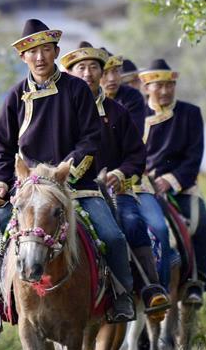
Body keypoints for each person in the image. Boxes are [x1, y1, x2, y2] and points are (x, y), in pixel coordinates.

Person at [0, 19, 137, 339]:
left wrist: (64, 172)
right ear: (23, 57)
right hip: (28, 189)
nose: (40, 57)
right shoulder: (14, 97)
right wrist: (0, 182)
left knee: (113, 236)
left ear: (56, 53)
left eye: (46, 50)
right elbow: (1, 149)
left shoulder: (77, 90)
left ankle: (121, 296)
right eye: (33, 52)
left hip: (75, 185)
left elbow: (91, 139)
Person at [60, 41, 171, 316]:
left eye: (93, 67)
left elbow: (137, 154)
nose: (87, 73)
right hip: (62, 190)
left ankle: (149, 288)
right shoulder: (57, 111)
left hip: (112, 190)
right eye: (80, 68)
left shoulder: (117, 112)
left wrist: (120, 173)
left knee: (131, 222)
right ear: (69, 74)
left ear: (101, 72)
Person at [138, 59, 206, 305]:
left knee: (201, 224)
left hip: (181, 185)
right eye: (158, 86)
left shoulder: (190, 113)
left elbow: (194, 156)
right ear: (146, 88)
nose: (165, 91)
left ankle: (197, 281)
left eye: (169, 85)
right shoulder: (135, 113)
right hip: (141, 187)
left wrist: (169, 181)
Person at [101, 49, 146, 137]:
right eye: (105, 73)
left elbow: (133, 135)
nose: (112, 78)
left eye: (115, 71)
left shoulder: (132, 97)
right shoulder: (86, 98)